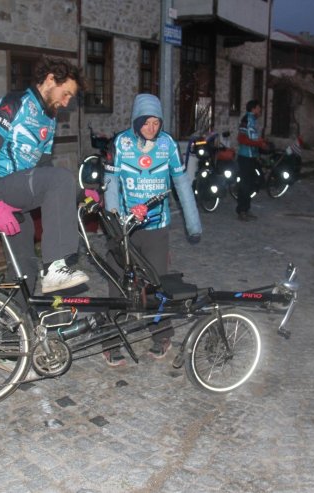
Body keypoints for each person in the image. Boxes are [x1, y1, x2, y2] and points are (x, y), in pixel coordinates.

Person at [0, 57, 91, 293]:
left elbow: (44, 166)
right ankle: (56, 266)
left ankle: (16, 325)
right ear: (49, 80)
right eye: (65, 94)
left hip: (19, 194)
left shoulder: (49, 118)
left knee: (23, 268)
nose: (66, 102)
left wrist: (80, 192)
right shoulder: (14, 102)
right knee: (60, 178)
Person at [102, 94, 202, 366]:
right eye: (147, 122)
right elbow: (110, 183)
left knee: (158, 284)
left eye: (156, 123)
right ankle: (111, 340)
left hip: (157, 227)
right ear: (137, 121)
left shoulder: (167, 144)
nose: (152, 128)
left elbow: (181, 183)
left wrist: (193, 224)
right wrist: (114, 223)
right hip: (125, 229)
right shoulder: (120, 144)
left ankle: (161, 335)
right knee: (117, 282)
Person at [236, 100, 268, 221]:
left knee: (253, 183)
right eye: (259, 108)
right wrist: (257, 143)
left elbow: (255, 137)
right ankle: (241, 210)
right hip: (245, 157)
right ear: (253, 108)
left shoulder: (254, 121)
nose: (260, 110)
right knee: (245, 184)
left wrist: (261, 144)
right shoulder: (246, 120)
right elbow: (241, 139)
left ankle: (246, 208)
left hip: (253, 157)